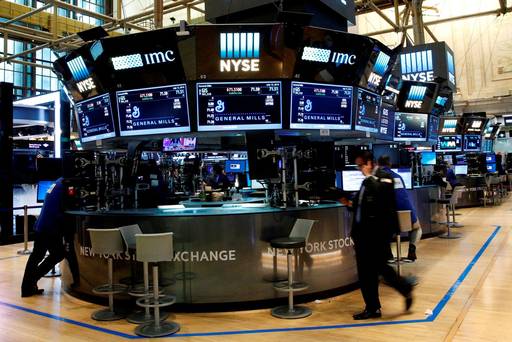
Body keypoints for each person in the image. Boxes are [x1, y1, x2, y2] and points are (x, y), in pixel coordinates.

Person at [349, 151, 414, 320]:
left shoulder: (383, 178)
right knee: (372, 271)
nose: (359, 169)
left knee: (376, 270)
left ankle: (398, 292)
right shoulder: (368, 181)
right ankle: (375, 306)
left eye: (361, 165)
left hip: (376, 235)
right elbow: (361, 205)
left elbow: (382, 198)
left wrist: (370, 178)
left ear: (370, 163)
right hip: (362, 235)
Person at [21, 177, 67, 297]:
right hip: (50, 227)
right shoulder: (65, 184)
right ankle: (30, 282)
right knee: (57, 254)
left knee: (37, 256)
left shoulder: (57, 182)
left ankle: (27, 286)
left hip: (42, 225)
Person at [377, 156, 422, 261]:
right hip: (406, 215)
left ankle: (387, 253)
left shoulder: (377, 178)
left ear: (377, 164)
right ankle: (412, 249)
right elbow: (404, 199)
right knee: (417, 228)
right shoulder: (398, 177)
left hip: (389, 221)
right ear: (390, 165)